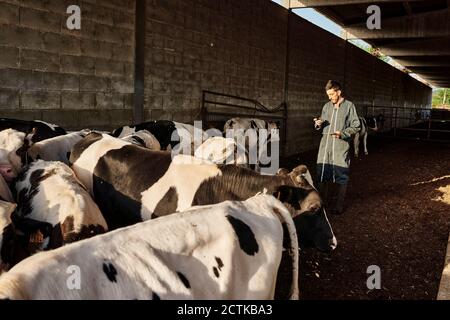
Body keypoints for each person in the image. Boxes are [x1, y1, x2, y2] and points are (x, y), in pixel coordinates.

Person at [314, 80, 360, 215]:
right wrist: (318, 123)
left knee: (341, 175)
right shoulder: (326, 106)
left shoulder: (349, 106)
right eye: (328, 95)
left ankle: (338, 207)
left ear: (338, 92)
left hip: (340, 146)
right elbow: (321, 123)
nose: (329, 97)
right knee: (322, 174)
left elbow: (356, 125)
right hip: (325, 145)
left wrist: (343, 133)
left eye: (332, 94)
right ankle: (321, 204)